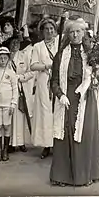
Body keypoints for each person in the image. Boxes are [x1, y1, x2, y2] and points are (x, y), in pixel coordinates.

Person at [50, 17, 99, 187]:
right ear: (67, 35)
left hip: (85, 98)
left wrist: (95, 77)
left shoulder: (91, 54)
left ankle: (84, 175)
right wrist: (60, 95)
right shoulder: (60, 55)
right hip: (67, 97)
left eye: (78, 31)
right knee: (65, 134)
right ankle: (62, 176)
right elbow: (54, 80)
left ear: (83, 33)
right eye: (71, 32)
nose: (75, 35)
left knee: (84, 135)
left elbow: (97, 76)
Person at [30, 18, 59, 159]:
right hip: (44, 81)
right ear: (42, 31)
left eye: (52, 28)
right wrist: (46, 66)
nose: (49, 31)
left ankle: (59, 144)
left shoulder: (60, 43)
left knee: (58, 110)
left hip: (59, 81)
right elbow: (33, 65)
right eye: (46, 29)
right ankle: (47, 145)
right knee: (46, 112)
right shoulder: (38, 47)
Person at [3, 29, 35, 153]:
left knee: (21, 116)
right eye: (13, 43)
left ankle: (21, 142)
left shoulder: (24, 56)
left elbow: (31, 72)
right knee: (10, 117)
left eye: (17, 42)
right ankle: (10, 143)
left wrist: (20, 78)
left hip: (22, 90)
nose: (15, 45)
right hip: (9, 91)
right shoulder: (5, 57)